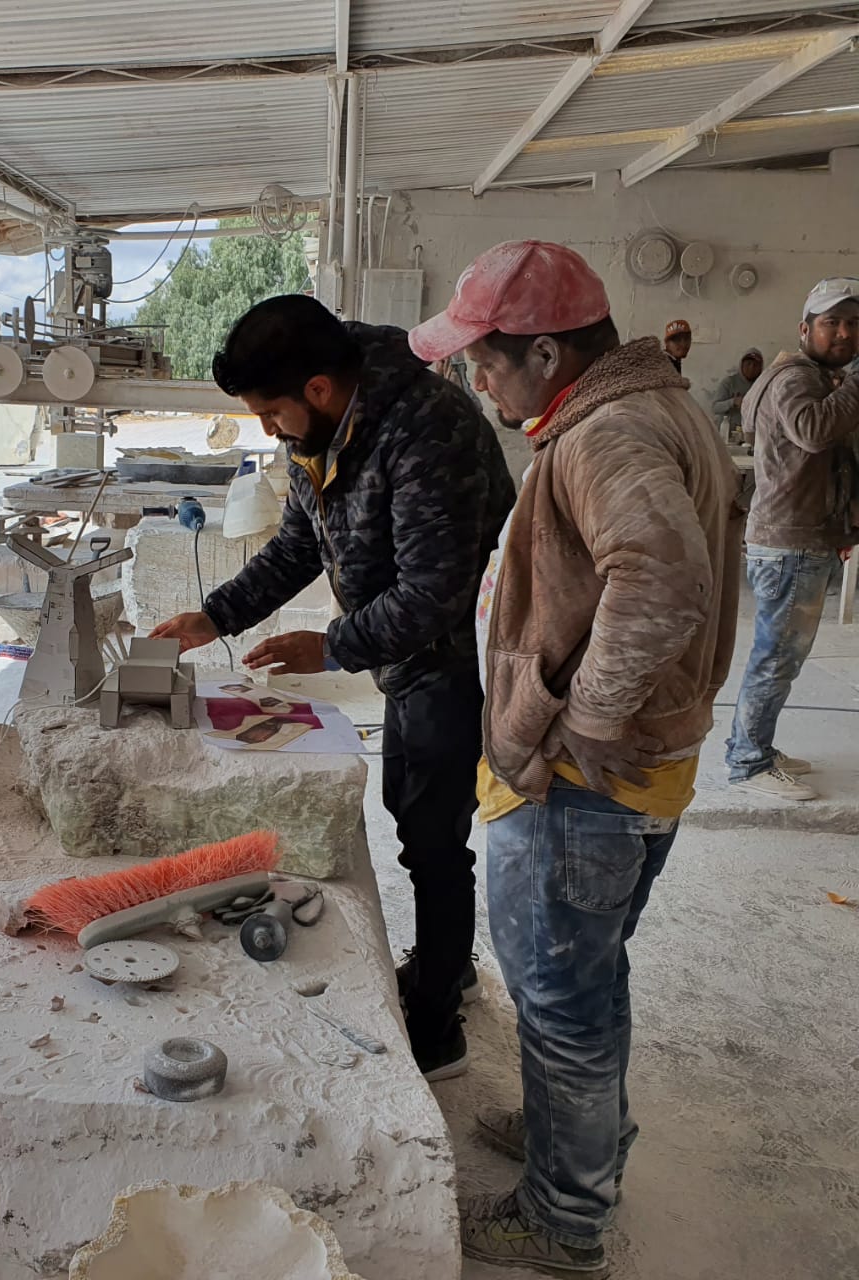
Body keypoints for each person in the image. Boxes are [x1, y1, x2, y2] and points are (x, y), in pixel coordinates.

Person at [408, 240, 741, 1278]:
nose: (477, 381)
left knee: (560, 1000)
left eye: (484, 362)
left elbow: (660, 581)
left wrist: (579, 721)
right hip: (634, 770)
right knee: (586, 980)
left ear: (546, 354)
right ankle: (578, 1141)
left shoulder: (606, 434)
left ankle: (564, 1216)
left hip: (583, 782)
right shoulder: (648, 404)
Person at [150, 294, 515, 1080]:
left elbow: (433, 595)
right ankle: (448, 968)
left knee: (432, 838)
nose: (268, 430)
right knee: (415, 818)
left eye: (271, 413)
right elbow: (298, 546)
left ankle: (437, 1027)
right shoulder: (318, 430)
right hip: (406, 656)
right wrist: (215, 616)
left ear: (318, 388)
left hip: (457, 657)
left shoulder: (427, 430)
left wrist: (331, 647)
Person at [724, 278, 859, 801]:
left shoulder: (813, 376)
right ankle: (748, 763)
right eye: (832, 322)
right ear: (805, 329)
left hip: (802, 537)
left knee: (781, 657)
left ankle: (754, 745)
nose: (844, 333)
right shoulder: (796, 378)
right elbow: (813, 431)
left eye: (853, 323)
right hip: (790, 542)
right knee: (776, 657)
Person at [711, 347, 763, 440]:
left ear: (760, 367)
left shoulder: (763, 385)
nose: (751, 368)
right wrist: (733, 402)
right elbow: (715, 407)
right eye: (748, 364)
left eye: (755, 365)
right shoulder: (729, 382)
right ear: (741, 365)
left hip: (753, 437)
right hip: (728, 436)